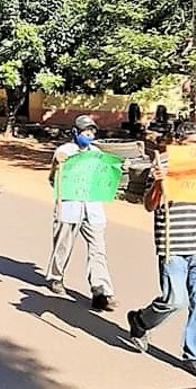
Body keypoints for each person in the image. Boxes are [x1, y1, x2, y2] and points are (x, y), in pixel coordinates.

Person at [127, 123, 196, 376]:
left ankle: (192, 355)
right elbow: (149, 205)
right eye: (192, 144)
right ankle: (141, 321)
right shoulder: (163, 164)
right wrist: (158, 185)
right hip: (173, 244)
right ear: (179, 143)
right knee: (175, 300)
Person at [45, 115, 117, 311]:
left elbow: (104, 178)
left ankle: (100, 289)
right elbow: (53, 179)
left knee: (98, 249)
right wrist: (56, 165)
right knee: (63, 245)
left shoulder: (97, 154)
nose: (89, 134)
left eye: (92, 131)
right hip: (69, 205)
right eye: (86, 130)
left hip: (93, 208)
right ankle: (56, 276)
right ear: (75, 132)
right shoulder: (64, 151)